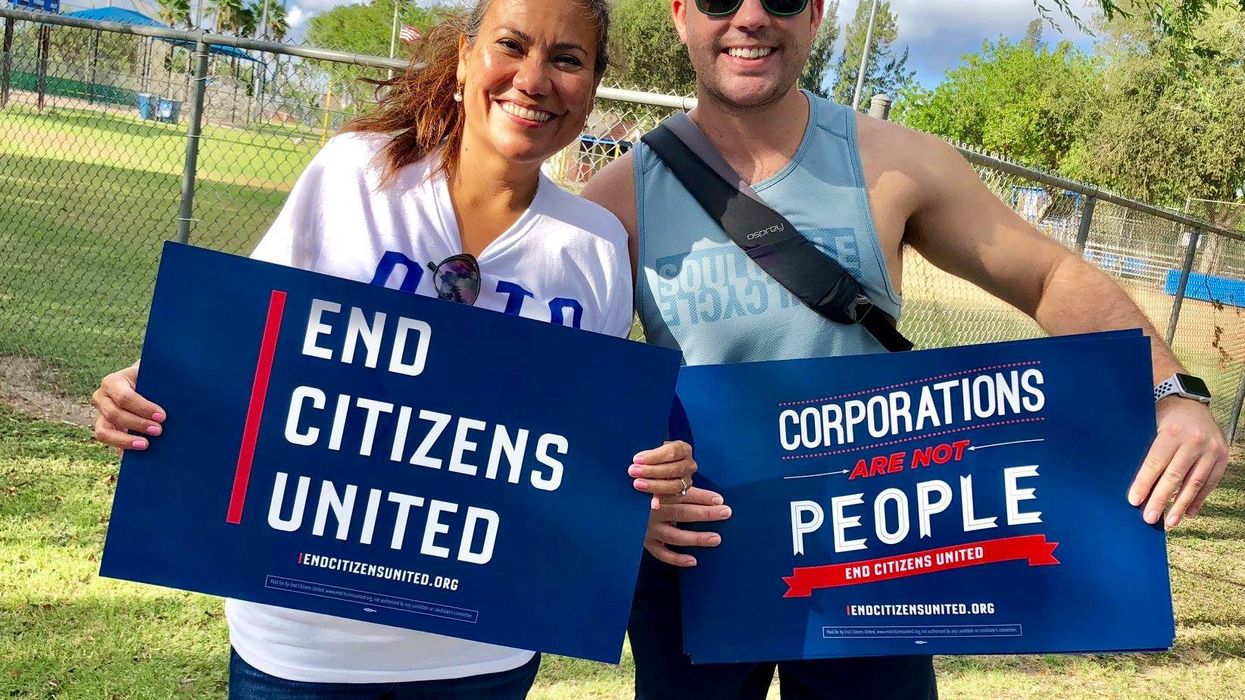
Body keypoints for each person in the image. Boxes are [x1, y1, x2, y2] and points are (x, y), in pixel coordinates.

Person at [582, 0, 1230, 698]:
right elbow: (564, 398)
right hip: (698, 550)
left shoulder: (888, 161)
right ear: (680, 15)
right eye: (716, 0)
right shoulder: (620, 196)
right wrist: (626, 500)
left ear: (815, 15)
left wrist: (1174, 393)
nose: (748, 18)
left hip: (874, 547)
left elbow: (1049, 276)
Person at [90, 0, 703, 697]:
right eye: (511, 46)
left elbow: (580, 444)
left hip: (482, 652)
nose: (533, 79)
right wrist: (150, 391)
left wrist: (648, 481)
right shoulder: (356, 175)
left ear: (591, 89)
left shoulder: (593, 245)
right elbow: (247, 355)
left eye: (567, 59)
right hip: (302, 640)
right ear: (464, 59)